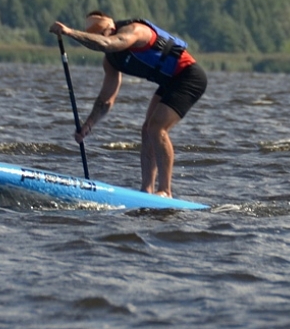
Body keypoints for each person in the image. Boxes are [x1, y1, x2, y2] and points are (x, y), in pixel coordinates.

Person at [49, 11, 207, 198]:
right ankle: (147, 191)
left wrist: (69, 32)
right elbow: (106, 99)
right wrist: (88, 125)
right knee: (147, 129)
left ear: (111, 29)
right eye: (97, 37)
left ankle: (165, 190)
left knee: (157, 128)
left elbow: (108, 43)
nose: (102, 41)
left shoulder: (135, 31)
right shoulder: (111, 62)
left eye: (103, 35)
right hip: (170, 81)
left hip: (189, 77)